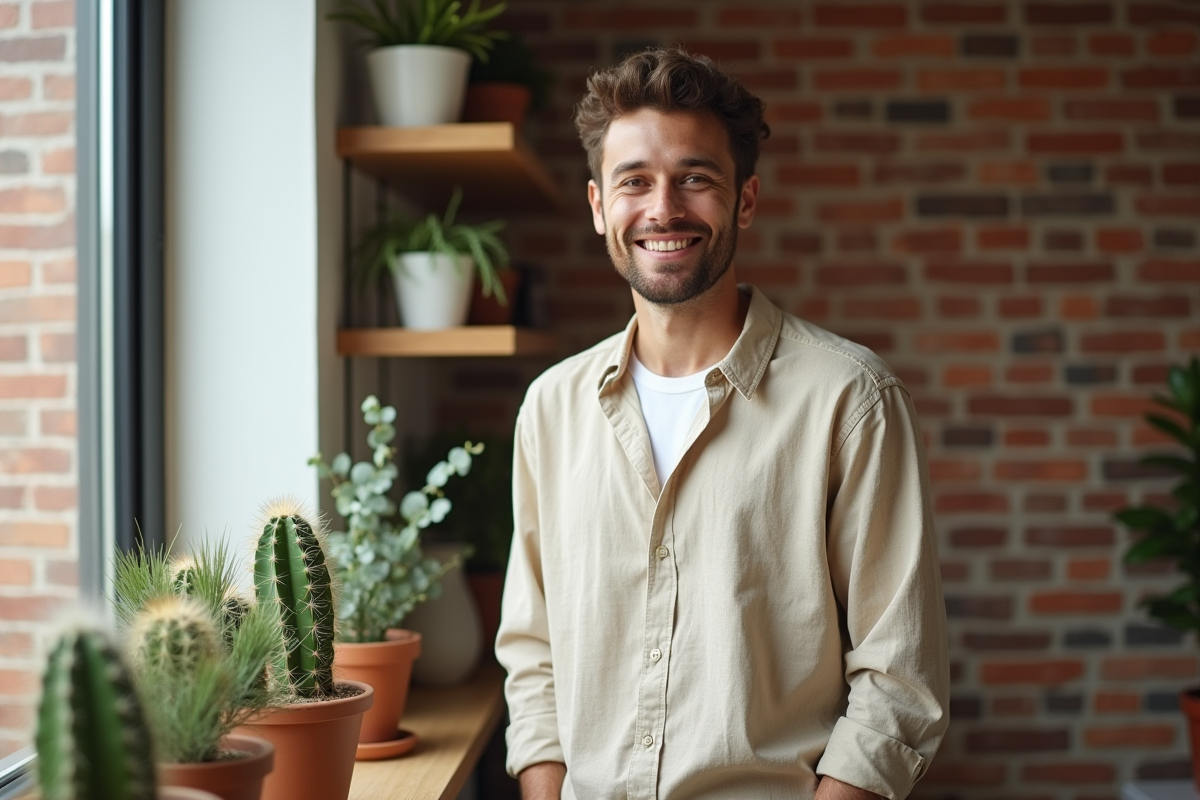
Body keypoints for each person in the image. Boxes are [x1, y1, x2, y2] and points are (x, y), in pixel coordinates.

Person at [496, 47, 949, 800]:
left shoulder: (851, 400)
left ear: (743, 201)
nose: (663, 208)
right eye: (633, 181)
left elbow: (899, 679)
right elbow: (532, 651)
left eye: (695, 179)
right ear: (598, 205)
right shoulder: (552, 406)